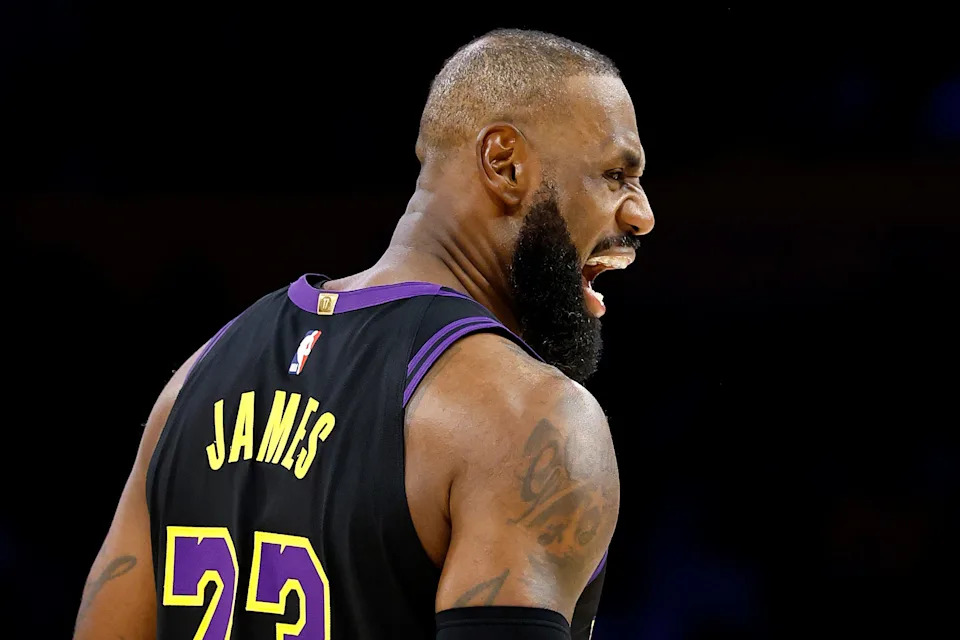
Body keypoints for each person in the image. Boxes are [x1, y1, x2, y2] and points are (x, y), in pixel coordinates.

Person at [73, 27, 654, 640]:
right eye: (616, 175)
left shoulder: (197, 378)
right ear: (504, 163)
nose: (642, 214)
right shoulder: (529, 417)